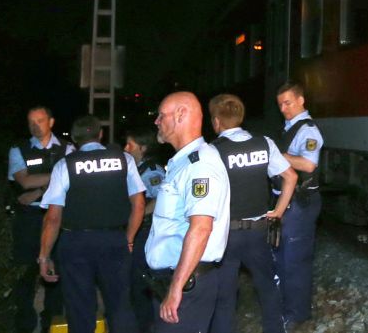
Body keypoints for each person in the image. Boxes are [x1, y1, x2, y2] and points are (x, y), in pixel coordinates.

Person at [37, 115, 146, 333]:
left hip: (75, 243)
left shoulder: (64, 165)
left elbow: (53, 217)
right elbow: (139, 204)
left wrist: (44, 255)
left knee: (79, 309)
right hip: (114, 239)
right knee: (121, 306)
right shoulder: (124, 159)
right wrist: (129, 239)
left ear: (75, 139)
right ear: (101, 134)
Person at [208, 93, 296, 333]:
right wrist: (278, 211)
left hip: (225, 235)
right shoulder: (264, 143)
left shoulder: (212, 152)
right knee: (267, 287)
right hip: (258, 232)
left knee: (224, 296)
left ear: (216, 122)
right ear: (241, 117)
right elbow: (291, 176)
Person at [144, 91, 231, 332]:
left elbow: (201, 227)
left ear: (181, 114)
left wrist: (176, 288)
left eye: (161, 115)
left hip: (185, 287)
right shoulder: (182, 162)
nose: (156, 121)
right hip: (173, 282)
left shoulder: (199, 164)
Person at [7, 105, 72, 333]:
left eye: (40, 120)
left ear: (51, 122)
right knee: (25, 275)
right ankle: (24, 326)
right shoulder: (19, 149)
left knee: (56, 278)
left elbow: (73, 181)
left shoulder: (68, 148)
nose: (36, 126)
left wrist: (38, 190)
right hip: (28, 220)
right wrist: (57, 179)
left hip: (58, 217)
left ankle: (50, 326)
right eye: (31, 122)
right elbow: (23, 181)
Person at [274, 81, 324, 329]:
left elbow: (309, 164)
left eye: (288, 103)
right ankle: (287, 309)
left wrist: (278, 157)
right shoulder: (289, 128)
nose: (283, 108)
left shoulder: (308, 131)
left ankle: (296, 314)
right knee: (283, 258)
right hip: (287, 202)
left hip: (300, 203)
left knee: (294, 261)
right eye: (280, 104)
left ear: (301, 100)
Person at [124, 127, 166, 333]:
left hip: (145, 233)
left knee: (141, 280)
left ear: (143, 147)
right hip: (137, 231)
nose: (126, 148)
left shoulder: (151, 171)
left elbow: (160, 199)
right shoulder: (134, 168)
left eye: (130, 144)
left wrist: (139, 215)